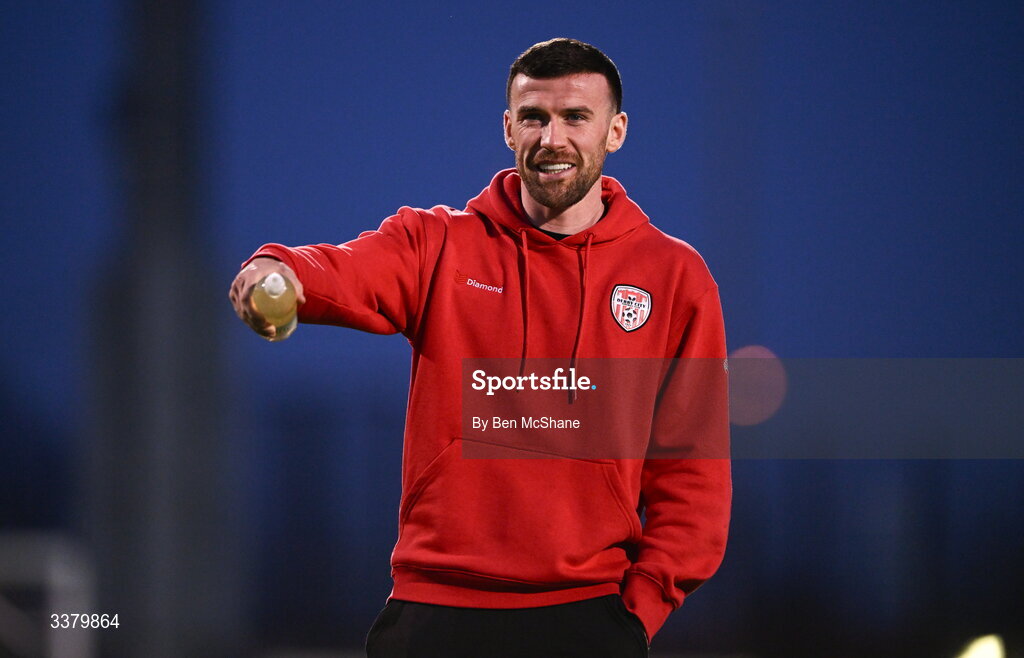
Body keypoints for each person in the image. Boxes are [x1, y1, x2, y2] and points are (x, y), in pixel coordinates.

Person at [229, 38, 730, 657]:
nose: (553, 138)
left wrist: (636, 614)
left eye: (576, 117)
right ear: (507, 127)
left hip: (588, 617)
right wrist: (273, 269)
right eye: (534, 117)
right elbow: (339, 270)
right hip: (435, 612)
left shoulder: (673, 276)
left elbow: (693, 478)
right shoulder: (438, 245)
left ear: (616, 130)